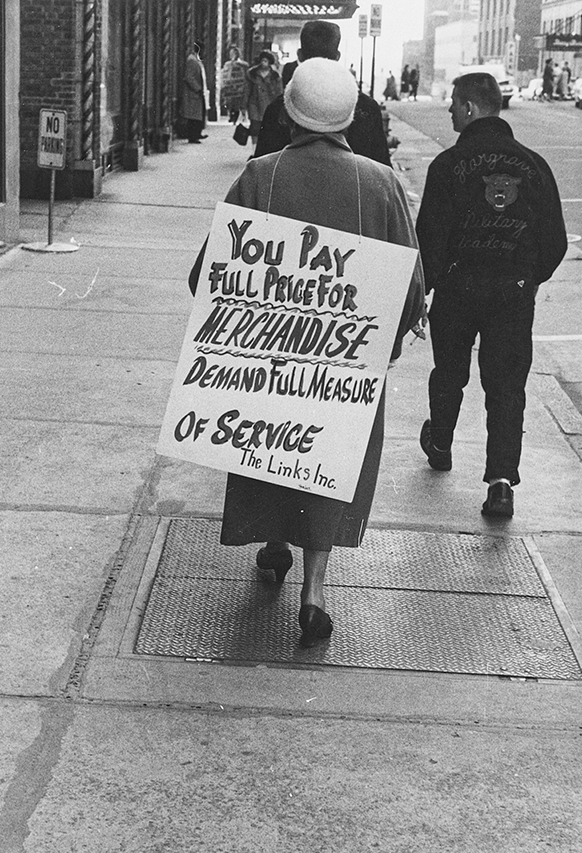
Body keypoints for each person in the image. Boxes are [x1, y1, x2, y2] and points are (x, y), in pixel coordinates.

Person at [189, 59, 425, 647]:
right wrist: (387, 343)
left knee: (272, 448)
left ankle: (273, 548)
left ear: (290, 111)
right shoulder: (382, 184)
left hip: (269, 357)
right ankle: (315, 591)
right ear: (348, 117)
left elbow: (207, 276)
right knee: (330, 459)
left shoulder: (258, 176)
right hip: (348, 360)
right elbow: (412, 286)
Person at [415, 72, 567, 518]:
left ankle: (440, 442)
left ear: (468, 108)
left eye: (453, 104)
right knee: (505, 387)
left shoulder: (447, 166)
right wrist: (527, 278)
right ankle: (501, 483)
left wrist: (429, 287)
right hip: (512, 294)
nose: (449, 112)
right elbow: (555, 241)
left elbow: (430, 239)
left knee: (449, 371)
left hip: (458, 289)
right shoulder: (535, 165)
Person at [252, 20, 392, 167]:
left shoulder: (278, 108)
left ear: (299, 55)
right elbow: (382, 168)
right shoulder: (367, 108)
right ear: (337, 56)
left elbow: (261, 169)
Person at [243, 50, 282, 147]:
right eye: (262, 60)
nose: (263, 63)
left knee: (267, 128)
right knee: (255, 127)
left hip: (269, 104)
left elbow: (279, 92)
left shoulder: (275, 75)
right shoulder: (252, 73)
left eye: (266, 61)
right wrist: (243, 105)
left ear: (270, 62)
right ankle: (254, 148)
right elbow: (246, 90)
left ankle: (263, 148)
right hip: (254, 104)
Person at [181, 40, 209, 143]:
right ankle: (193, 136)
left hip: (197, 93)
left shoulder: (196, 60)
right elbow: (189, 77)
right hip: (193, 93)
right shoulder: (192, 60)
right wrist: (197, 88)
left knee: (197, 115)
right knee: (194, 116)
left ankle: (197, 134)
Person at [220, 46, 248, 123]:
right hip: (230, 87)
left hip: (238, 87)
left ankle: (235, 117)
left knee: (236, 103)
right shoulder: (228, 64)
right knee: (229, 103)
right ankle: (231, 116)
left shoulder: (242, 64)